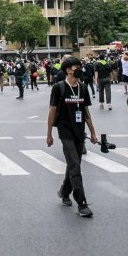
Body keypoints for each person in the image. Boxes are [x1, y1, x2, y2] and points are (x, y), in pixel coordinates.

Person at [45, 57, 97, 218]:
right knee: (75, 165)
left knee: (74, 164)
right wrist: (49, 134)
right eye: (76, 67)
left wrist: (93, 133)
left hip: (79, 131)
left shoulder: (83, 87)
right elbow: (52, 111)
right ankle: (81, 203)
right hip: (65, 131)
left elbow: (86, 113)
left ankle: (64, 191)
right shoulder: (59, 88)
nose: (80, 69)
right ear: (68, 70)